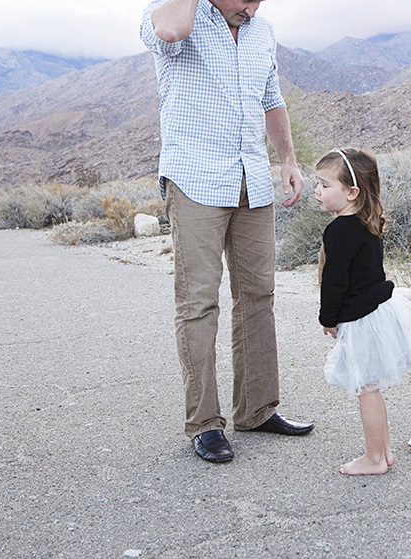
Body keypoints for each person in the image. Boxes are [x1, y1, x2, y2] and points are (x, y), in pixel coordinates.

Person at [140, 0, 314, 464]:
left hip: (250, 176)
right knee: (198, 301)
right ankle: (204, 422)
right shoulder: (173, 15)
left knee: (258, 294)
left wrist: (289, 160)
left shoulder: (261, 30)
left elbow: (270, 97)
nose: (253, 8)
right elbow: (173, 31)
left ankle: (256, 409)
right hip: (195, 177)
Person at [315, 148, 411, 475]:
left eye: (325, 185)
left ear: (351, 192)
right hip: (378, 311)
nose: (317, 191)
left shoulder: (339, 230)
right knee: (372, 388)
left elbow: (334, 281)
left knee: (365, 389)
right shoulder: (366, 222)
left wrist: (328, 318)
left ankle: (374, 459)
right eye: (317, 184)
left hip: (362, 318)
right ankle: (383, 452)